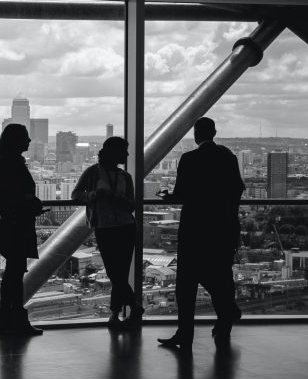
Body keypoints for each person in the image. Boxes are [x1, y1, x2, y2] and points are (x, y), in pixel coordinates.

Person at [157, 117, 245, 351]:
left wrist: (167, 197)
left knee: (186, 284)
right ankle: (225, 320)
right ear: (214, 132)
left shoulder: (190, 159)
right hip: (223, 228)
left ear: (196, 135)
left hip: (195, 229)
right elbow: (238, 189)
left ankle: (185, 334)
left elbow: (181, 195)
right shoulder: (228, 157)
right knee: (221, 275)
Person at [72, 136, 142, 329]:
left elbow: (131, 205)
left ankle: (115, 314)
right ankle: (133, 307)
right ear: (114, 153)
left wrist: (115, 199)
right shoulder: (93, 173)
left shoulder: (125, 176)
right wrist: (95, 195)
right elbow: (76, 195)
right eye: (124, 151)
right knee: (115, 273)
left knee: (119, 273)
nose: (127, 154)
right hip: (108, 227)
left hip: (124, 227)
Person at [0, 123, 45, 336]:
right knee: (15, 274)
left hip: (9, 223)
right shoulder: (13, 163)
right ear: (16, 141)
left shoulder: (4, 161)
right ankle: (15, 319)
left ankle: (8, 319)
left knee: (13, 273)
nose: (29, 141)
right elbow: (16, 195)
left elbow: (9, 194)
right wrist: (31, 203)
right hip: (16, 224)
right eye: (26, 137)